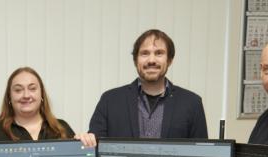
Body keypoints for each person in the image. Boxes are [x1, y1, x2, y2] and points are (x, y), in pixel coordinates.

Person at [76, 28, 208, 147]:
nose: (151, 60)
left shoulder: (192, 103)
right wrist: (84, 141)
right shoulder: (110, 100)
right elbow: (93, 147)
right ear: (135, 60)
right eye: (145, 53)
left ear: (170, 60)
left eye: (159, 53)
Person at [0, 66, 75, 141]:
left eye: (32, 89)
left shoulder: (61, 128)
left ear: (42, 94)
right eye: (18, 90)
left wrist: (85, 145)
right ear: (9, 97)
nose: (26, 95)